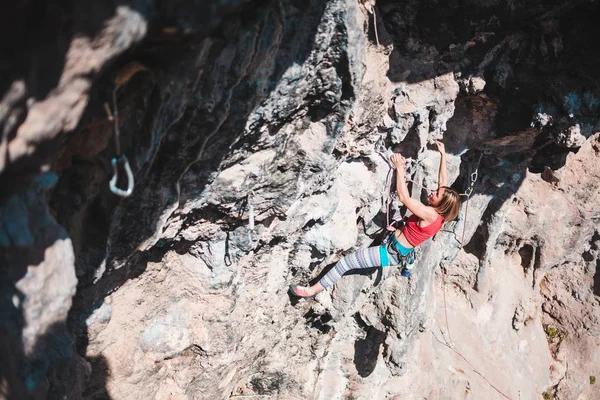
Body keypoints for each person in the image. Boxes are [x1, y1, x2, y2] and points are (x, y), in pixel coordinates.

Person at [289, 141, 461, 298]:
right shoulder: (443, 215)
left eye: (436, 194)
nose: (432, 192)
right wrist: (443, 154)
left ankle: (310, 291)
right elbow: (443, 182)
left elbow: (404, 197)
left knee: (345, 263)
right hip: (396, 246)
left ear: (442, 203)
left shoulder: (430, 214)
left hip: (389, 253)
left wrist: (400, 168)